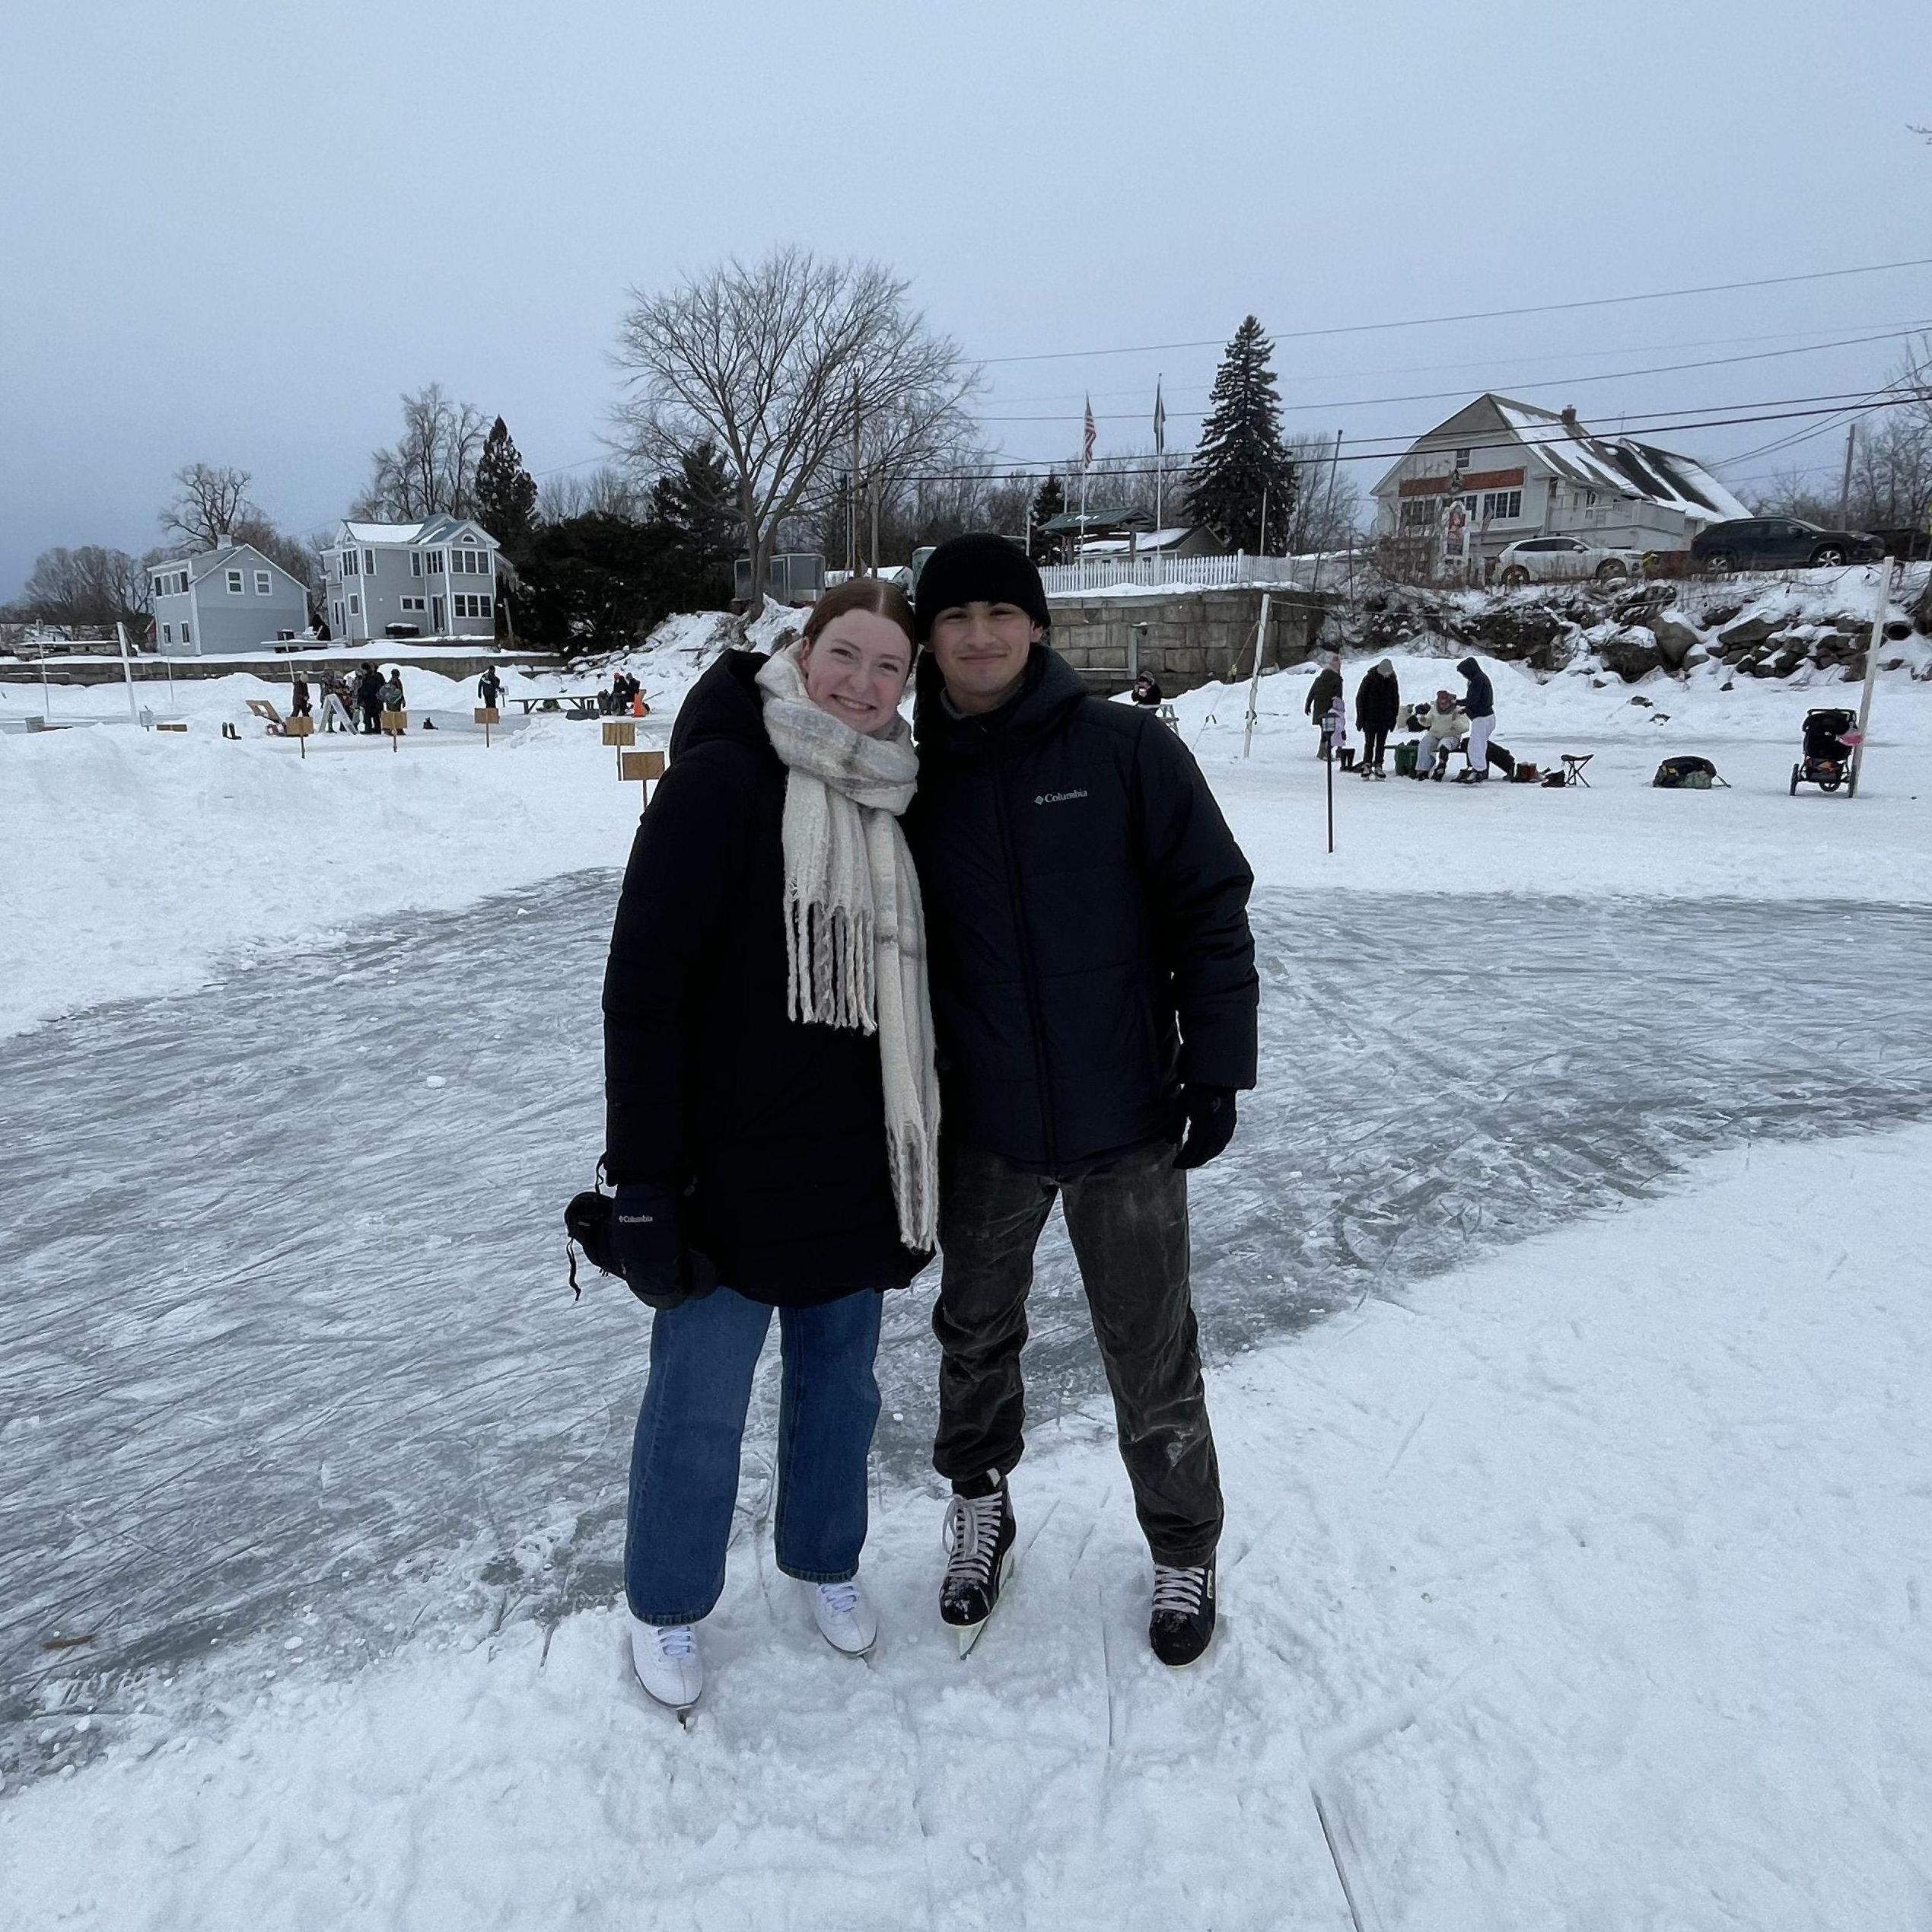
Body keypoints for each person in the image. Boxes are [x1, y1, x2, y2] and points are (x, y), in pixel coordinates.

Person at [906, 533, 1258, 1669]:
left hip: (1124, 1114)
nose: (977, 634)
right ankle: (978, 1501)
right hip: (984, 1126)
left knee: (1151, 1348)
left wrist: (1214, 1061)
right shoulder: (910, 779)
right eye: (953, 615)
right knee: (972, 1337)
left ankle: (1180, 1540)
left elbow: (1208, 901)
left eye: (998, 612)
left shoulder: (1122, 748)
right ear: (929, 637)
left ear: (1037, 625)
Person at [600, 578, 937, 1714]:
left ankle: (825, 1560)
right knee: (698, 1403)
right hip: (725, 1167)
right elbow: (643, 992)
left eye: (886, 668)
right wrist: (646, 1180)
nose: (860, 683)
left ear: (905, 686)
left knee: (840, 1390)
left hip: (851, 1163)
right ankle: (666, 1600)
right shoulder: (720, 781)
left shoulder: (898, 799)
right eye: (844, 655)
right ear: (803, 648)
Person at [1354, 660, 1399, 777]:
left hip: (1385, 718)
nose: (1386, 675)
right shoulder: (1369, 679)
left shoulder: (1392, 680)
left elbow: (1395, 700)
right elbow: (1360, 699)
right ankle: (1367, 764)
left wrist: (1393, 718)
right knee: (1369, 743)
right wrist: (1360, 719)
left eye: (1388, 673)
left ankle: (1379, 765)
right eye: (1385, 672)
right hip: (1370, 718)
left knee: (1381, 744)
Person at [1415, 689, 1469, 780]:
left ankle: (1441, 765)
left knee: (1444, 745)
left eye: (1446, 702)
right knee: (1425, 744)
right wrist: (1423, 720)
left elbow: (1466, 727)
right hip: (1435, 734)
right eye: (1441, 702)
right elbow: (1428, 721)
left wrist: (1455, 723)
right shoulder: (1434, 709)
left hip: (1451, 736)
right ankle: (1423, 770)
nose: (1443, 705)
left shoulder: (1458, 710)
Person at [1457, 656, 1494, 781]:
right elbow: (1481, 700)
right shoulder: (1481, 678)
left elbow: (1472, 700)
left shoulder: (1478, 680)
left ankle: (1478, 770)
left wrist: (1456, 702)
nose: (1464, 676)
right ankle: (1479, 769)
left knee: (1475, 746)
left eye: (1464, 673)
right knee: (1480, 745)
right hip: (1488, 716)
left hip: (1482, 718)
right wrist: (1466, 710)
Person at [1304, 652, 1343, 758]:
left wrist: (1308, 705)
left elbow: (1312, 693)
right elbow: (1339, 696)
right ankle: (1327, 751)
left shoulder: (1320, 679)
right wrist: (1340, 709)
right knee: (1333, 730)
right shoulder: (1337, 680)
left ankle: (1322, 751)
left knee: (1325, 729)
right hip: (1331, 709)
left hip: (1319, 708)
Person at [355, 664, 384, 735]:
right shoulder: (378, 676)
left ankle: (369, 728)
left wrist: (361, 694)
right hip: (376, 699)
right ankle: (377, 728)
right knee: (375, 715)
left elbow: (367, 689)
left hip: (370, 699)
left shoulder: (370, 678)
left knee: (368, 715)